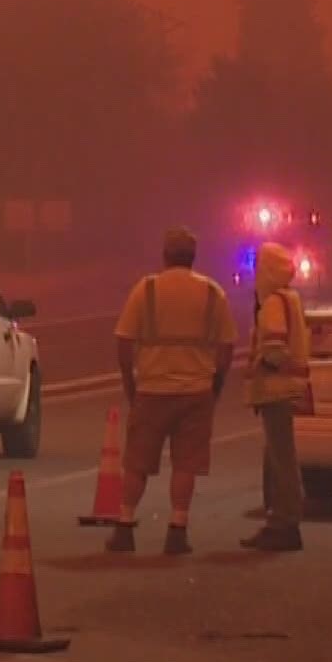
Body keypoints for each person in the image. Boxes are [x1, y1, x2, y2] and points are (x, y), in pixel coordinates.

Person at [111, 227, 237, 555]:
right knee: (186, 464)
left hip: (152, 389)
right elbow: (226, 347)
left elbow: (124, 341)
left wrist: (130, 384)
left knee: (137, 462)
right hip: (196, 390)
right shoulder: (213, 293)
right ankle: (177, 529)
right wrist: (215, 386)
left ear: (165, 255)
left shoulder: (147, 289)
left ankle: (124, 527)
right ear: (193, 257)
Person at [241, 242, 310, 552]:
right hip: (289, 388)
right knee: (283, 456)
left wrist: (261, 363)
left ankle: (283, 522)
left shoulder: (271, 304)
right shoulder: (291, 299)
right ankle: (284, 520)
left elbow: (274, 348)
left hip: (275, 388)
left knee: (280, 459)